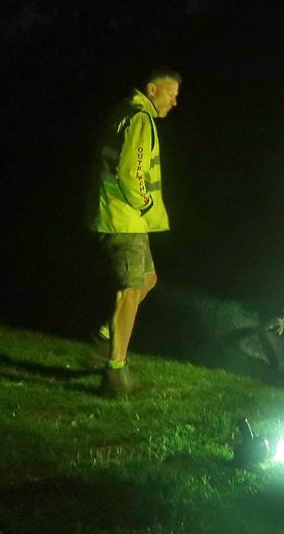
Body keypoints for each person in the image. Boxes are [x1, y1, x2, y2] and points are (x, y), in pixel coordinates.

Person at [90, 68, 181, 397]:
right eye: (170, 94)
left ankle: (106, 336)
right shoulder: (141, 118)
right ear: (152, 89)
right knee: (129, 293)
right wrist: (145, 205)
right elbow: (132, 172)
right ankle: (115, 373)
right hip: (124, 219)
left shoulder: (125, 111)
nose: (174, 101)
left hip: (124, 218)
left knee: (147, 279)